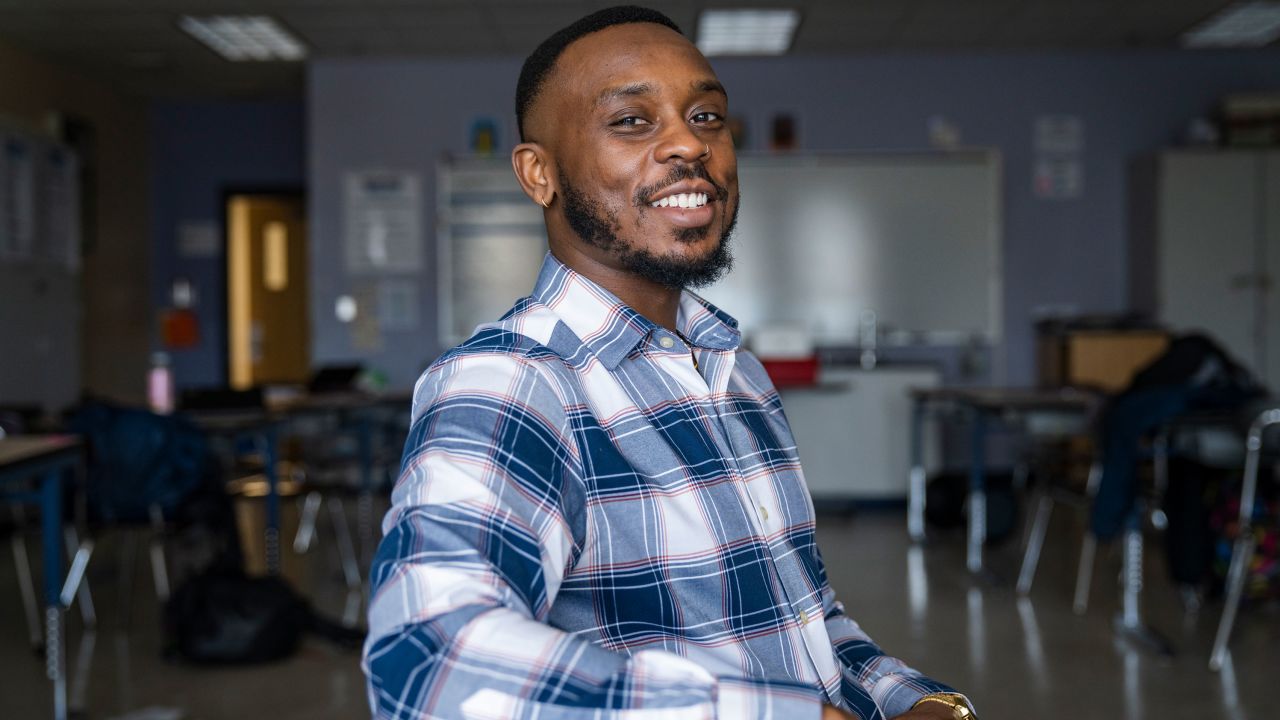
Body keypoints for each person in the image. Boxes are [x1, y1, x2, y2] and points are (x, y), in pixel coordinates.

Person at [363, 7, 975, 719]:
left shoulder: (732, 372)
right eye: (631, 121)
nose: (690, 143)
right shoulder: (513, 383)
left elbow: (806, 625)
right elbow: (428, 663)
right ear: (539, 174)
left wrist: (922, 703)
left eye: (708, 116)